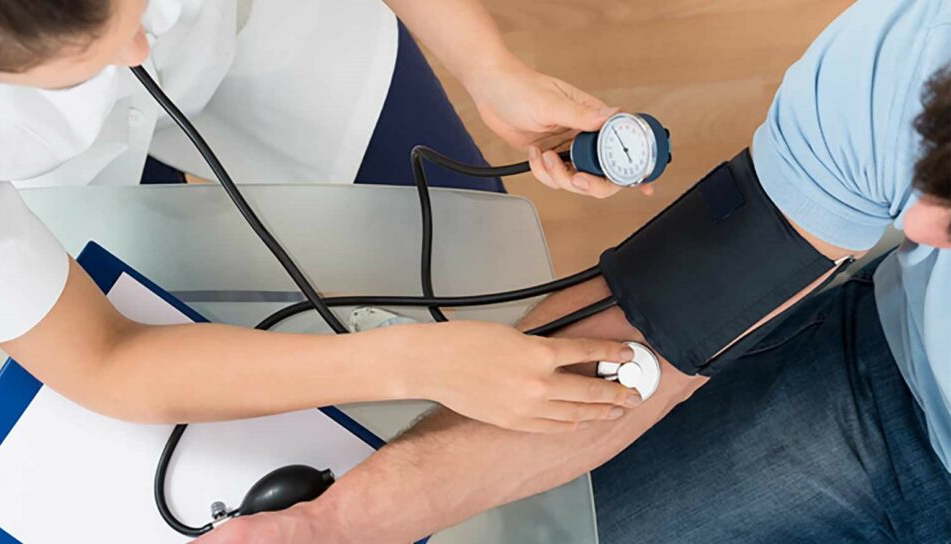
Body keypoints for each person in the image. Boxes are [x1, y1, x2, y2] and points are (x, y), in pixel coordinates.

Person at [195, 1, 951, 542]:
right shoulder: (915, 57)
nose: (912, 227)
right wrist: (337, 524)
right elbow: (657, 323)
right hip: (894, 401)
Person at [0, 0, 645, 438]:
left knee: (476, 259)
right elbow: (105, 360)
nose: (140, 53)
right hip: (64, 177)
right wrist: (408, 364)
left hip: (270, 30)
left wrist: (490, 68)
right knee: (228, 369)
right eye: (80, 70)